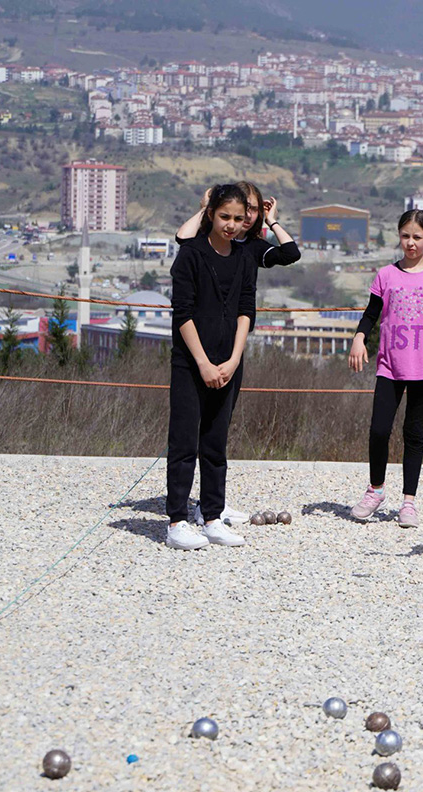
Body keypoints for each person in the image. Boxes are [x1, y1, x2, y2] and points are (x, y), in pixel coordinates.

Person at [175, 181, 301, 527]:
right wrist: (205, 208)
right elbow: (182, 241)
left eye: (249, 210)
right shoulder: (203, 246)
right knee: (187, 435)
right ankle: (188, 513)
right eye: (230, 212)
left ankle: (212, 505)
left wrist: (272, 221)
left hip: (233, 346)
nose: (240, 218)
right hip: (200, 348)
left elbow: (291, 254)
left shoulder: (252, 250)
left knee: (217, 433)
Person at [348, 209, 423, 527]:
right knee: (379, 430)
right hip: (389, 365)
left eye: (417, 237)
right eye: (405, 236)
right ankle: (375, 490)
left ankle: (408, 503)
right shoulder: (385, 275)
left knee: (414, 434)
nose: (410, 243)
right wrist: (360, 338)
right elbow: (371, 314)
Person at [164, 184, 258, 550]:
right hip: (191, 363)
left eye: (238, 218)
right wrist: (203, 363)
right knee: (185, 441)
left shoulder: (244, 258)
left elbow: (246, 310)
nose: (231, 225)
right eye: (224, 217)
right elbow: (182, 313)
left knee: (216, 443)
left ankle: (213, 516)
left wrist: (233, 360)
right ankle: (176, 521)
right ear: (210, 214)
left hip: (228, 362)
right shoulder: (190, 255)